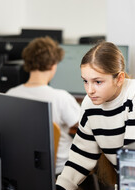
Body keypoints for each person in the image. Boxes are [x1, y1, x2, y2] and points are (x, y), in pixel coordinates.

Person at [55, 41, 135, 190]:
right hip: (130, 184)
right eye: (85, 81)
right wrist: (59, 189)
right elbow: (81, 156)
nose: (90, 90)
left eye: (98, 82)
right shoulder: (89, 104)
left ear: (119, 78)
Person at [6, 36, 80, 175]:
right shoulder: (61, 97)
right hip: (59, 168)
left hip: (23, 167)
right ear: (53, 65)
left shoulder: (10, 94)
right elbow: (84, 125)